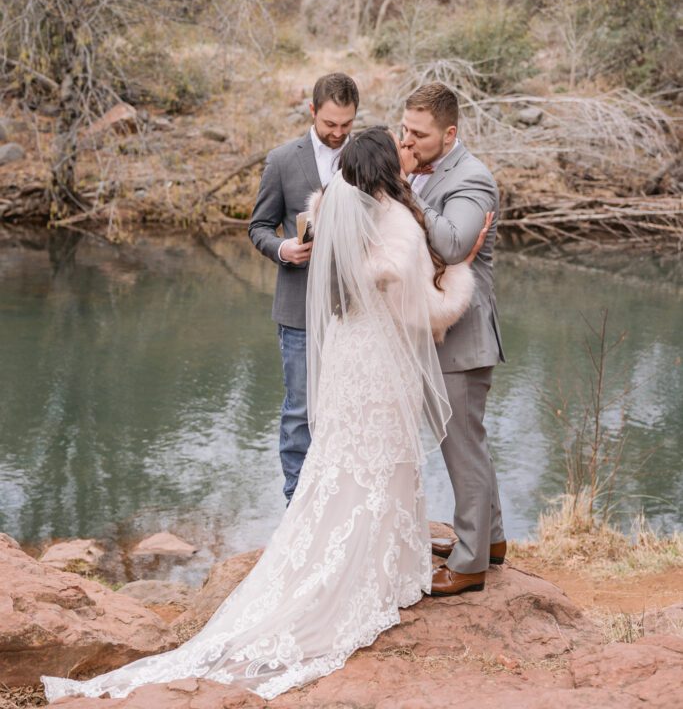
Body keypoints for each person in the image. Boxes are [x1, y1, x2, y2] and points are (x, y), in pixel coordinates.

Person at [42, 127, 487, 703]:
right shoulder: (398, 222)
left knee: (342, 458)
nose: (408, 156)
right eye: (398, 151)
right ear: (385, 169)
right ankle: (380, 571)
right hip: (379, 360)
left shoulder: (331, 211)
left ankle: (346, 556)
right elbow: (425, 311)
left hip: (347, 356)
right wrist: (458, 270)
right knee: (382, 459)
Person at [399, 83, 506, 598]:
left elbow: (455, 244)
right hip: (440, 333)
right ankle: (491, 540)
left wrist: (404, 191)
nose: (408, 142)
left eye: (419, 135)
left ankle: (469, 565)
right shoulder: (425, 170)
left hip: (462, 338)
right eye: (404, 130)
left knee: (462, 448)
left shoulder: (471, 178)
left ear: (449, 133)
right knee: (467, 443)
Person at [248, 72, 359, 503]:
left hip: (355, 310)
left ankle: (338, 500)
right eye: (330, 123)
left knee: (349, 408)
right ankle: (296, 504)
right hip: (298, 310)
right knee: (300, 410)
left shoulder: (365, 157)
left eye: (346, 124)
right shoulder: (281, 161)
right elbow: (258, 227)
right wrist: (283, 249)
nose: (338, 133)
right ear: (312, 111)